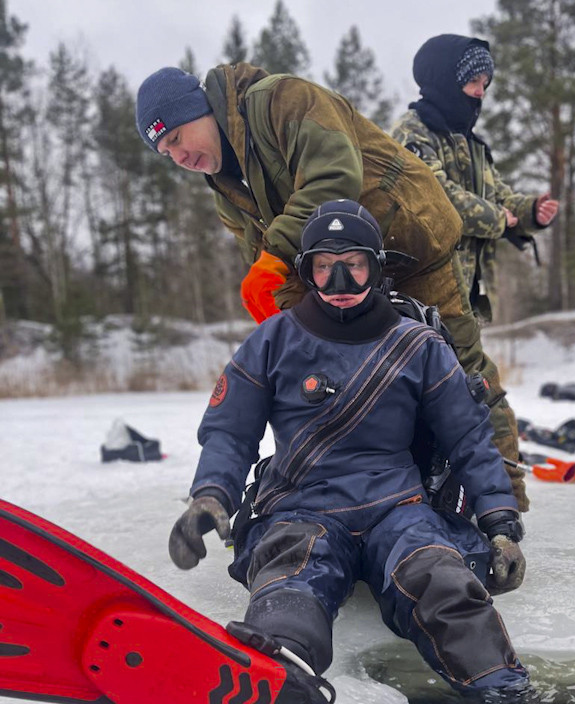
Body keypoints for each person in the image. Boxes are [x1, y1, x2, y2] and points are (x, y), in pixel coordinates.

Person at [168, 200, 528, 704]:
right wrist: (210, 497)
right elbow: (229, 431)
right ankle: (270, 681)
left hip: (399, 509)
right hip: (302, 508)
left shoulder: (419, 346)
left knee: (444, 581)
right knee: (290, 582)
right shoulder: (272, 341)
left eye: (354, 264)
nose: (339, 279)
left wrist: (500, 521)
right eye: (324, 265)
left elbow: (470, 439)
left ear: (377, 267)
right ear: (307, 271)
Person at [135, 62, 528, 510]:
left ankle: (505, 506)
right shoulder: (225, 188)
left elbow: (333, 177)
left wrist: (275, 258)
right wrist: (288, 318)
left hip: (410, 240)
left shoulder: (283, 100)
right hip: (333, 274)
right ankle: (363, 502)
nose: (178, 157)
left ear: (199, 110)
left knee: (460, 367)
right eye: (166, 153)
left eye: (176, 139)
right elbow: (266, 261)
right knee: (345, 374)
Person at [392, 34, 559, 322]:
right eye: (473, 82)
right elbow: (434, 197)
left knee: (468, 366)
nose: (481, 92)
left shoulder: (473, 144)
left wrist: (531, 211)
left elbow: (500, 195)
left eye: (485, 84)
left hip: (465, 292)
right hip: (421, 293)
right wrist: (498, 219)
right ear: (447, 81)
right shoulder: (412, 131)